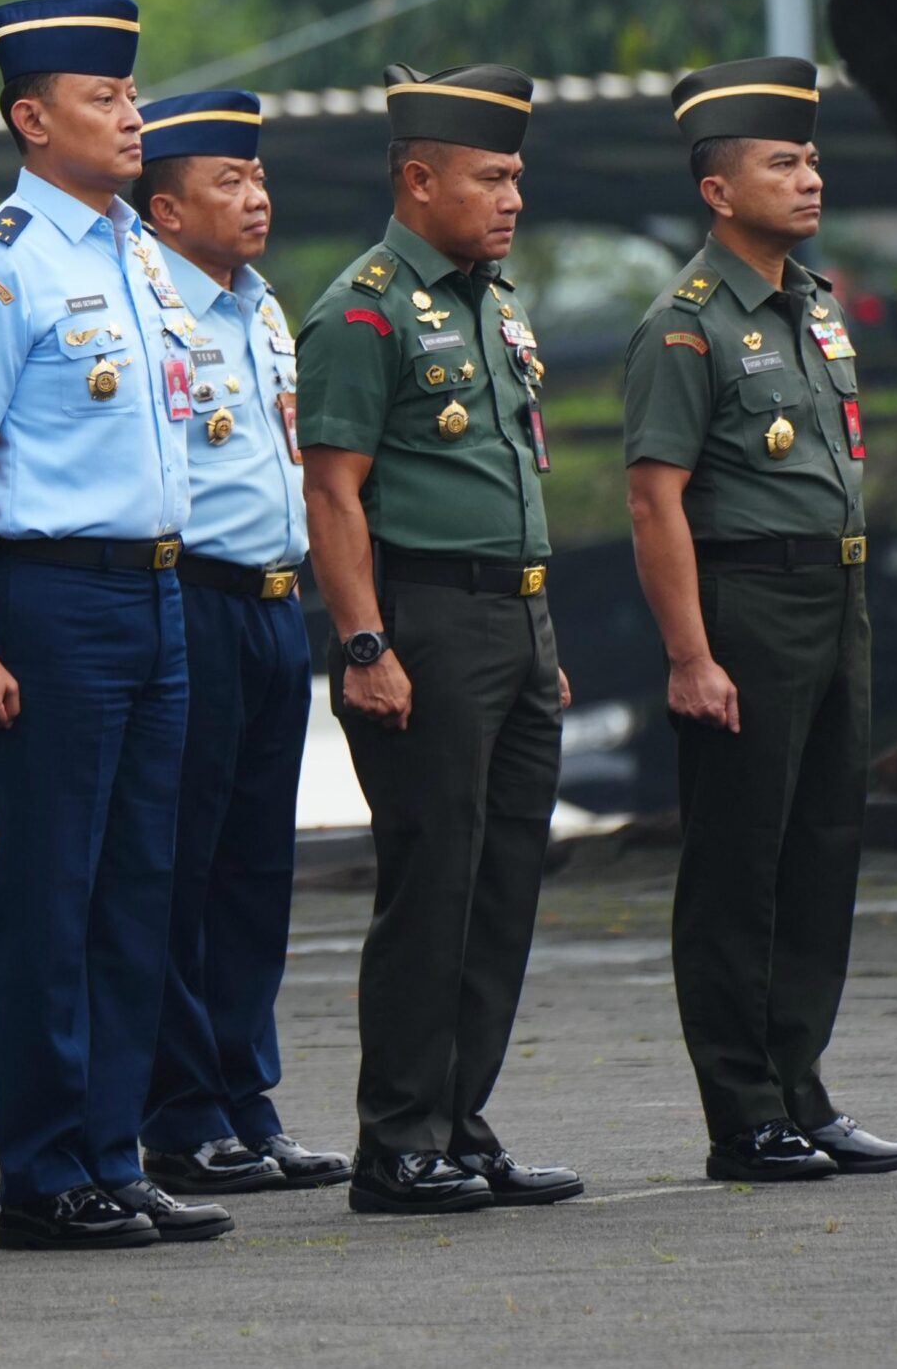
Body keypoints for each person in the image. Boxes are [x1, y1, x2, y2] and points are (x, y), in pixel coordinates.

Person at [0, 0, 230, 1252]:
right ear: (32, 119)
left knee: (136, 888)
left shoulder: (134, 252)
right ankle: (44, 1172)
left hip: (155, 589)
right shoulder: (0, 262)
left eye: (133, 95)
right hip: (50, 596)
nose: (131, 116)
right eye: (105, 98)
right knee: (53, 890)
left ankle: (113, 1150)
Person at [624, 57, 897, 1185]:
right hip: (746, 601)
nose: (810, 178)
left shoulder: (816, 304)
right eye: (782, 162)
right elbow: (653, 499)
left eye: (811, 159)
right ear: (718, 189)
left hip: (836, 599)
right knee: (737, 862)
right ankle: (742, 1112)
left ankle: (801, 1088)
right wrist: (690, 654)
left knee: (821, 848)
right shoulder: (686, 326)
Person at [294, 63, 581, 1216]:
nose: (513, 198)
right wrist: (364, 644)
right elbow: (332, 492)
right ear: (418, 180)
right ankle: (397, 1137)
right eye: (490, 177)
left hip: (513, 617)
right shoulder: (360, 310)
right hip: (422, 619)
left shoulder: (492, 303)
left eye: (516, 176)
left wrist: (536, 633)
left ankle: (461, 1119)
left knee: (504, 881)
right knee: (432, 879)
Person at [129, 90, 352, 1198]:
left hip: (272, 605)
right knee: (184, 863)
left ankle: (245, 1097)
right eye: (230, 180)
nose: (257, 196)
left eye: (258, 177)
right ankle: (180, 1114)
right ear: (166, 209)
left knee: (259, 867)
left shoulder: (261, 307)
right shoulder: (147, 305)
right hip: (194, 599)